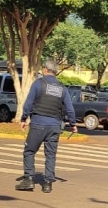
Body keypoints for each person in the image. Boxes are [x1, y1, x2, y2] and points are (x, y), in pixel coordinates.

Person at [16, 58, 77, 194]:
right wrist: (73, 124)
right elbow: (70, 108)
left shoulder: (38, 84)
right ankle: (48, 183)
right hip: (54, 126)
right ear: (55, 72)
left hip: (38, 124)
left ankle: (29, 179)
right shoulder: (62, 88)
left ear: (45, 69)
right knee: (50, 155)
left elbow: (28, 103)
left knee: (29, 151)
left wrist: (24, 118)